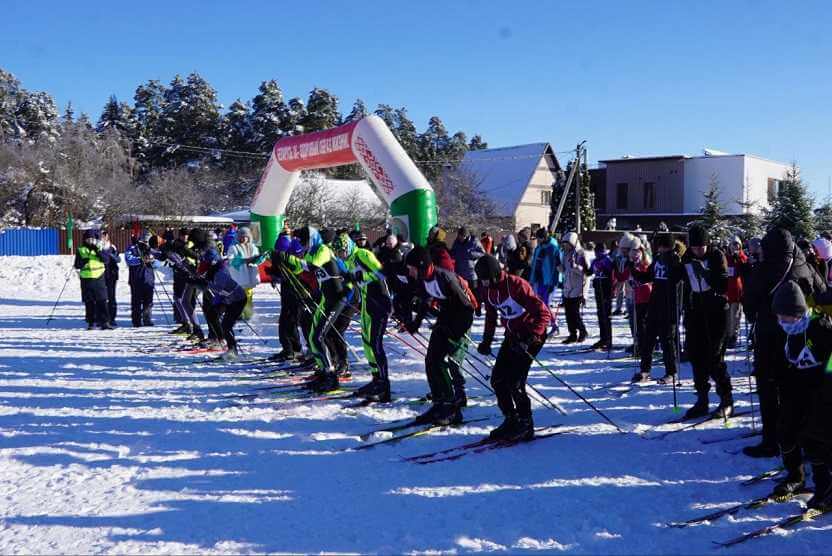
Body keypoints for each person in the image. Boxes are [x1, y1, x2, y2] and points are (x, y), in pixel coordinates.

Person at [742, 227, 827, 458]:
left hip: (770, 335)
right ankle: (799, 438)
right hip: (801, 335)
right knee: (796, 389)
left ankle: (771, 440)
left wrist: (755, 316)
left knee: (769, 388)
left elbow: (749, 301)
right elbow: (822, 292)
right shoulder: (804, 264)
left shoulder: (764, 267)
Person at [768, 280, 832, 508]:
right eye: (780, 317)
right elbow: (782, 360)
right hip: (795, 390)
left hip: (822, 392)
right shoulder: (788, 331)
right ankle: (796, 476)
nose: (782, 322)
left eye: (786, 317)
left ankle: (826, 487)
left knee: (816, 439)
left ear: (798, 312)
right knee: (785, 431)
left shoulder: (821, 328)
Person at [475, 255, 551, 440]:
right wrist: (487, 341)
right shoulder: (488, 290)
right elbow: (491, 317)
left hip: (533, 336)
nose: (483, 283)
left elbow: (543, 313)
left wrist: (531, 337)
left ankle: (526, 423)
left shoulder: (517, 285)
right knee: (498, 380)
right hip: (513, 336)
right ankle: (511, 418)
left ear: (494, 275)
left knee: (515, 382)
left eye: (485, 278)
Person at [402, 246, 476, 425]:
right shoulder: (423, 279)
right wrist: (415, 323)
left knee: (447, 362)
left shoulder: (446, 278)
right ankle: (439, 403)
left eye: (411, 268)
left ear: (421, 265)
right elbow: (425, 303)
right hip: (446, 318)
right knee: (431, 360)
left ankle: (452, 409)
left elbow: (467, 309)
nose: (409, 272)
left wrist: (456, 333)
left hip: (461, 320)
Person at [279, 226, 348, 391]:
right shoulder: (311, 251)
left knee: (319, 337)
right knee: (312, 337)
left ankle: (332, 376)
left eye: (304, 241)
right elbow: (300, 270)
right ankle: (324, 371)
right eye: (300, 242)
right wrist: (281, 263)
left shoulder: (323, 250)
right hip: (326, 298)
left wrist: (288, 258)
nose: (302, 245)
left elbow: (312, 266)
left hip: (337, 298)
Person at [680, 224, 732, 419]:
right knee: (696, 356)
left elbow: (723, 285)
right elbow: (681, 277)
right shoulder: (687, 257)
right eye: (694, 247)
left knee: (714, 357)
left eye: (701, 247)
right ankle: (702, 400)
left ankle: (726, 400)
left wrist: (704, 272)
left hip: (716, 312)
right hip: (696, 312)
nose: (698, 250)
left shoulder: (717, 256)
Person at [334, 232, 393, 402]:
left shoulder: (362, 254)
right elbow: (355, 281)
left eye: (342, 252)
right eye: (338, 254)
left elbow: (381, 273)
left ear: (348, 247)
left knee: (375, 344)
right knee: (366, 343)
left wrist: (360, 276)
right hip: (367, 303)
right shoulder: (350, 260)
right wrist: (346, 288)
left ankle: (384, 384)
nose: (341, 256)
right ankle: (376, 379)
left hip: (379, 302)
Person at [631, 233, 684, 383]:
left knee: (667, 341)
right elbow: (648, 276)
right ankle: (645, 370)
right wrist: (635, 273)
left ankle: (671, 372)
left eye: (659, 245)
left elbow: (676, 279)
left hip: (669, 306)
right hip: (654, 303)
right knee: (648, 339)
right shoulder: (657, 259)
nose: (657, 247)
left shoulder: (675, 260)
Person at [196, 242, 247, 361]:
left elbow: (221, 289)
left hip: (237, 299)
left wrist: (206, 285)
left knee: (226, 325)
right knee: (211, 314)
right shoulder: (214, 270)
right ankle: (219, 340)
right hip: (227, 298)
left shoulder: (220, 272)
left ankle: (232, 350)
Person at [270, 234, 304, 362]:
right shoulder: (281, 253)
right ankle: (290, 349)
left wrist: (278, 275)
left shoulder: (294, 256)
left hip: (296, 295)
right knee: (286, 322)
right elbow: (278, 270)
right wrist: (274, 276)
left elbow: (296, 272)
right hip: (288, 294)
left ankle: (292, 350)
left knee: (289, 322)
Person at [75, 229, 113, 330]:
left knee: (102, 301)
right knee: (89, 302)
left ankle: (105, 322)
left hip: (99, 277)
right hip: (86, 279)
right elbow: (77, 264)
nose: (90, 241)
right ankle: (91, 322)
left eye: (92, 239)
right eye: (88, 239)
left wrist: (98, 251)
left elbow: (106, 260)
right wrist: (83, 261)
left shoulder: (100, 247)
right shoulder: (81, 249)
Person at [558, 232, 589, 344]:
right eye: (564, 244)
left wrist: (575, 267)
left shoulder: (581, 254)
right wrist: (559, 267)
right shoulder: (566, 254)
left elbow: (586, 273)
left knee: (575, 313)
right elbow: (565, 270)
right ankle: (572, 334)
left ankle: (582, 331)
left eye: (567, 244)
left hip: (577, 288)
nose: (565, 246)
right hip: (567, 287)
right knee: (568, 314)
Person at [227, 226, 263, 320]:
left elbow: (258, 260)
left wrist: (259, 259)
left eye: (245, 237)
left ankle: (248, 313)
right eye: (241, 237)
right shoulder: (234, 247)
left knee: (249, 295)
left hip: (250, 275)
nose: (243, 239)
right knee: (241, 296)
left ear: (249, 237)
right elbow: (231, 260)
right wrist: (243, 261)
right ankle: (240, 313)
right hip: (240, 276)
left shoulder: (253, 247)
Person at [124, 231, 158, 327]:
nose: (146, 242)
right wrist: (141, 259)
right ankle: (136, 321)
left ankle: (147, 319)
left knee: (148, 301)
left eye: (148, 240)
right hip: (136, 279)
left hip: (149, 279)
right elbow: (129, 260)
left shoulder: (152, 249)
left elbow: (158, 263)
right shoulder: (132, 248)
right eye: (145, 240)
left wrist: (152, 260)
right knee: (136, 301)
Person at [589, 242, 613, 350]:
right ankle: (603, 338)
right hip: (598, 288)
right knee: (600, 314)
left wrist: (603, 268)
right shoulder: (595, 260)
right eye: (596, 252)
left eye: (599, 252)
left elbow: (611, 273)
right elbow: (589, 272)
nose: (597, 254)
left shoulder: (607, 260)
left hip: (605, 289)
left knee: (606, 315)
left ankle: (608, 339)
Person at [450, 226, 486, 299]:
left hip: (471, 273)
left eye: (461, 236)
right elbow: (452, 253)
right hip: (460, 273)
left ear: (465, 236)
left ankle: (477, 308)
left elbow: (482, 253)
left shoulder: (474, 241)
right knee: (463, 294)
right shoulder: (456, 242)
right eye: (458, 235)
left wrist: (471, 254)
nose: (459, 237)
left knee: (474, 293)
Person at [725, 236, 748, 348]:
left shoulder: (742, 257)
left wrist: (738, 258)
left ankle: (733, 336)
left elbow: (744, 269)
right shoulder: (726, 257)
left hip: (738, 291)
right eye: (733, 244)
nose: (735, 246)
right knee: (728, 316)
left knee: (736, 315)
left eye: (737, 244)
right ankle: (728, 335)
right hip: (727, 291)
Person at [529, 228, 560, 310]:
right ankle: (544, 320)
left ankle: (550, 321)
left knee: (545, 303)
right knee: (538, 302)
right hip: (538, 279)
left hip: (548, 281)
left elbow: (557, 266)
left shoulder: (553, 248)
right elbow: (534, 264)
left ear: (543, 237)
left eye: (538, 238)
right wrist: (532, 279)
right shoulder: (538, 248)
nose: (537, 240)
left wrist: (555, 281)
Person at [100, 230, 120, 326]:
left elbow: (118, 259)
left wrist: (112, 256)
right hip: (100, 275)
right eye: (102, 235)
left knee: (111, 297)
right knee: (101, 297)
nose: (104, 237)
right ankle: (101, 317)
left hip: (112, 275)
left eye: (105, 235)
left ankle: (112, 318)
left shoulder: (112, 247)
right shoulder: (98, 247)